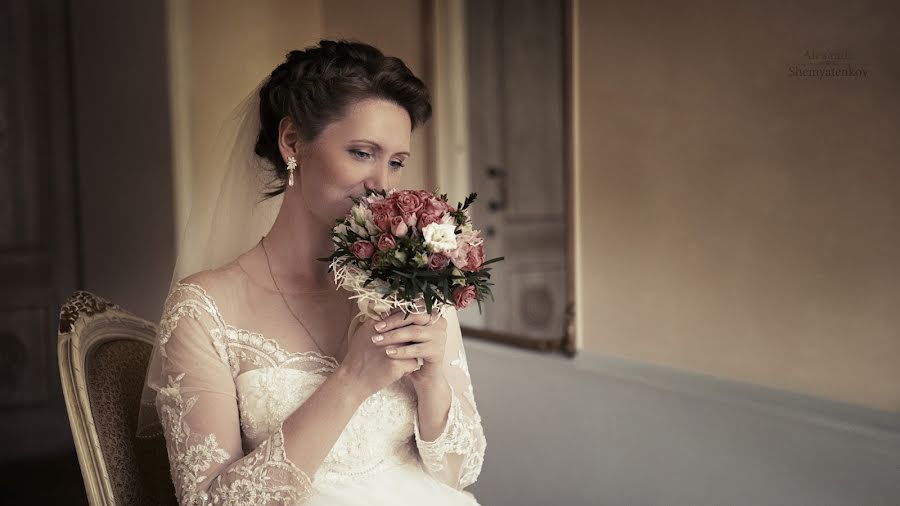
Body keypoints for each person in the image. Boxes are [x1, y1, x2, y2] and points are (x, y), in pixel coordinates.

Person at [136, 40, 486, 505]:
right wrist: (351, 381)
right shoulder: (204, 309)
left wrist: (432, 382)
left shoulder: (412, 281)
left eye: (396, 161)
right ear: (292, 142)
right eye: (362, 152)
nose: (382, 183)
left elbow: (462, 471)